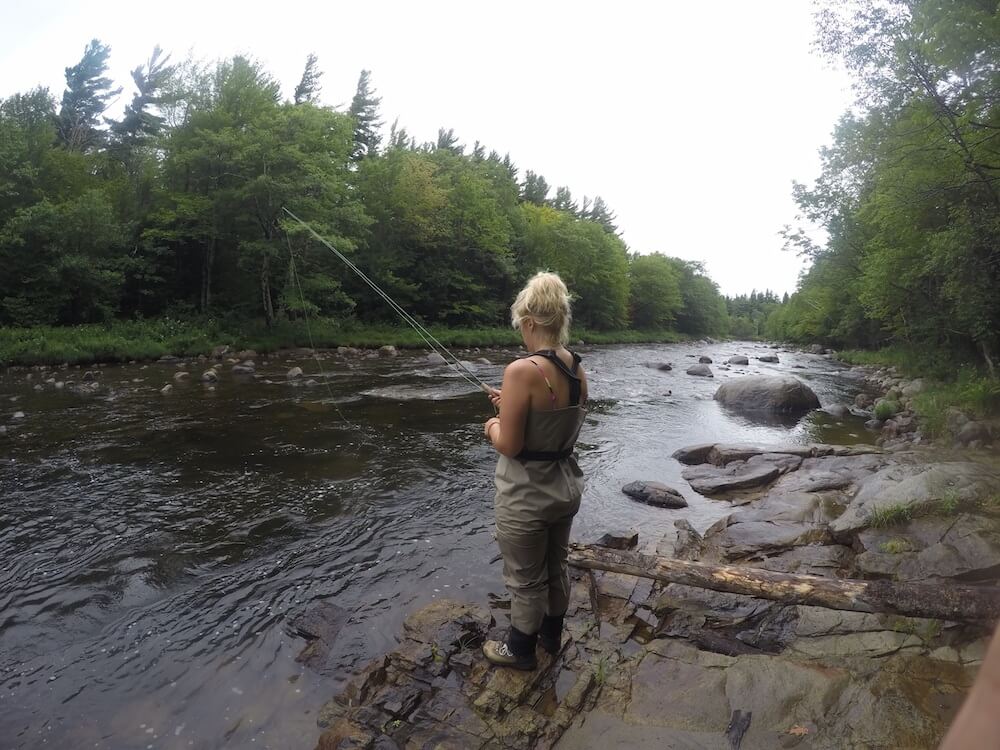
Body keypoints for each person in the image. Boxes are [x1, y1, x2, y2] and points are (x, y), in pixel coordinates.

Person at [481, 271, 588, 670]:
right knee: (556, 565)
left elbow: (510, 445)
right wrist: (508, 403)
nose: (521, 336)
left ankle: (520, 650)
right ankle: (551, 635)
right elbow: (557, 421)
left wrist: (493, 424)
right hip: (565, 489)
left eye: (521, 328)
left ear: (529, 322)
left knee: (525, 578)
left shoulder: (521, 370)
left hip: (526, 496)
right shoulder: (577, 368)